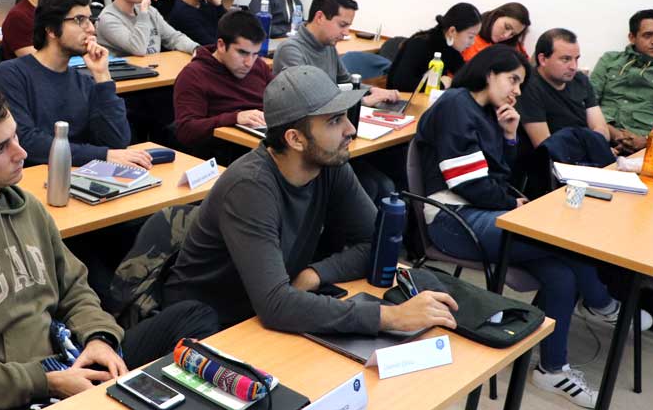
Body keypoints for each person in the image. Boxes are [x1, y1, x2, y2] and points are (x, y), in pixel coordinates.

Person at [0, 78, 218, 410]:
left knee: (194, 315)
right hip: (16, 395)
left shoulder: (26, 206)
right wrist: (47, 382)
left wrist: (99, 338)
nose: (20, 152)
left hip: (69, 358)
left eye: (15, 136)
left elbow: (75, 288)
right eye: (0, 149)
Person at [414, 46, 641, 407]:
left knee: (561, 274)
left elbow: (500, 175)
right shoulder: (457, 103)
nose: (517, 90)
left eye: (521, 83)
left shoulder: (489, 112)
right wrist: (511, 203)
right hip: (452, 219)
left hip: (482, 212)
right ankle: (603, 303)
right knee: (567, 242)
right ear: (489, 73)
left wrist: (508, 135)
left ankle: (552, 370)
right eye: (513, 80)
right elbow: (466, 182)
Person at [164, 65, 458, 333]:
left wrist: (315, 273)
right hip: (210, 325)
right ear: (295, 139)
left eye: (345, 117)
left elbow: (376, 245)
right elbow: (275, 307)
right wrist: (390, 317)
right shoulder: (250, 188)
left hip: (270, 310)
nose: (350, 130)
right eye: (334, 121)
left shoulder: (329, 165)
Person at [0, 0, 149, 169]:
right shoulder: (11, 75)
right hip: (34, 179)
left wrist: (102, 76)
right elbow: (25, 141)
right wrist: (100, 155)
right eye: (79, 20)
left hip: (82, 174)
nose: (91, 29)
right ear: (51, 30)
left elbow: (117, 141)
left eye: (90, 19)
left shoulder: (85, 81)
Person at [272, 0, 399, 107]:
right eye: (342, 25)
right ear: (320, 17)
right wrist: (362, 102)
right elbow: (310, 101)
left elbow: (347, 83)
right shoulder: (290, 51)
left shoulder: (328, 46)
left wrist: (373, 91)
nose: (346, 33)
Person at [172, 10, 274, 159]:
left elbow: (281, 101)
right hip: (223, 154)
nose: (249, 63)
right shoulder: (193, 75)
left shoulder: (259, 66)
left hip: (262, 145)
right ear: (221, 45)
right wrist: (235, 117)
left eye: (255, 54)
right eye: (242, 53)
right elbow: (186, 131)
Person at [519, 28, 611, 150]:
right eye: (565, 59)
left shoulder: (580, 80)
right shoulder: (528, 87)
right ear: (542, 59)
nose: (573, 66)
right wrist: (593, 145)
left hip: (588, 154)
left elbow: (602, 131)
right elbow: (546, 146)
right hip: (556, 164)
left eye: (576, 58)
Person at [592, 9, 653, 155]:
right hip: (602, 137)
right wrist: (613, 133)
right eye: (648, 35)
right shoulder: (610, 61)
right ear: (632, 37)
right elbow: (587, 102)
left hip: (652, 150)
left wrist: (647, 141)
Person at [386, 2, 481, 92]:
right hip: (400, 103)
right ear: (452, 31)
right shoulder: (420, 44)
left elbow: (466, 74)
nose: (472, 42)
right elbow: (401, 83)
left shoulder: (449, 48)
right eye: (470, 37)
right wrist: (440, 84)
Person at [459, 2, 530, 62]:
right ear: (497, 15)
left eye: (513, 34)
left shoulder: (515, 48)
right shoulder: (465, 30)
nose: (506, 36)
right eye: (507, 27)